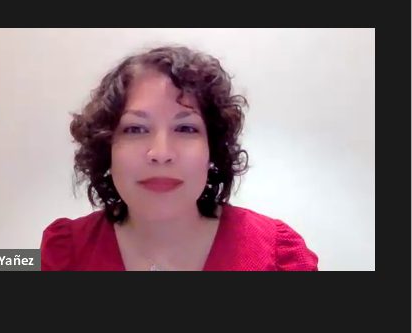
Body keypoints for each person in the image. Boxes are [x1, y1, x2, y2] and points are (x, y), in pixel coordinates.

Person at [41, 46, 317, 271]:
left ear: (212, 149)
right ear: (106, 148)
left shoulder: (280, 256)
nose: (161, 154)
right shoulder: (62, 253)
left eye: (185, 129)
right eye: (135, 129)